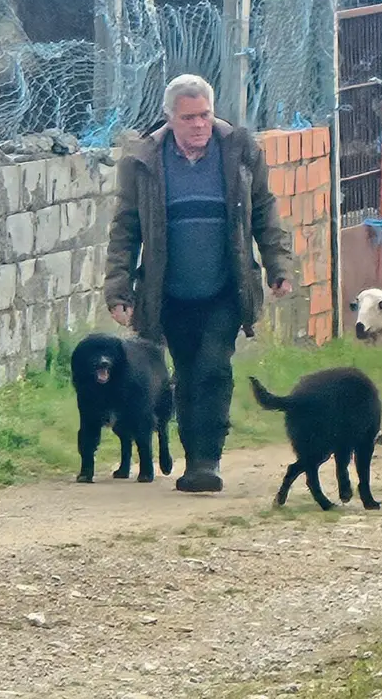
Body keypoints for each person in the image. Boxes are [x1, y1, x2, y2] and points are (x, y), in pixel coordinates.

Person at [104, 74, 294, 493]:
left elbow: (264, 212)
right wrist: (118, 289)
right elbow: (125, 228)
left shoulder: (239, 152)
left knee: (213, 366)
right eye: (188, 117)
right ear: (170, 118)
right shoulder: (144, 161)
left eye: (205, 114)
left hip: (225, 288)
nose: (199, 125)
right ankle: (194, 460)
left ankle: (208, 459)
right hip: (169, 292)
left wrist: (278, 266)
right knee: (187, 374)